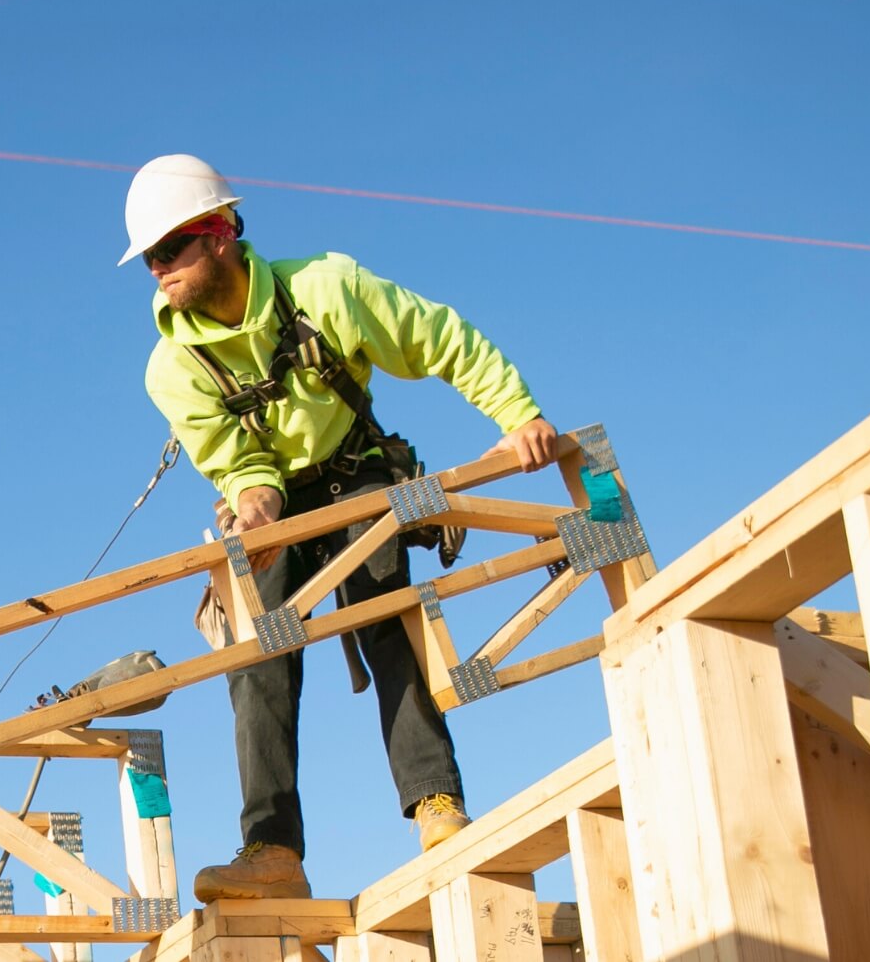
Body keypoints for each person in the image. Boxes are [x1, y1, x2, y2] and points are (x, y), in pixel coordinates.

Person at [120, 154, 557, 901]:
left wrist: (518, 414)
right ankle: (272, 851)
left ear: (219, 232)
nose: (156, 269)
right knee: (256, 646)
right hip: (278, 498)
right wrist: (255, 505)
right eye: (149, 257)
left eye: (168, 249)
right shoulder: (172, 367)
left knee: (384, 610)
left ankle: (436, 803)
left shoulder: (328, 288)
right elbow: (239, 464)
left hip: (355, 467)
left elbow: (440, 339)